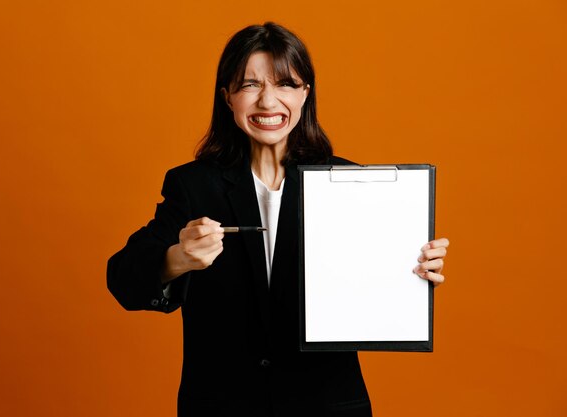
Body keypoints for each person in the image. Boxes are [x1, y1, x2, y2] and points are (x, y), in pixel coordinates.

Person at [107, 22, 449, 417]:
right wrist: (179, 258)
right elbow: (123, 279)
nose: (268, 102)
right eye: (249, 85)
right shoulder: (192, 185)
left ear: (306, 94)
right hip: (222, 405)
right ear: (228, 98)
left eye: (285, 84)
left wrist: (414, 270)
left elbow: (374, 290)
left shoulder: (352, 185)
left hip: (326, 404)